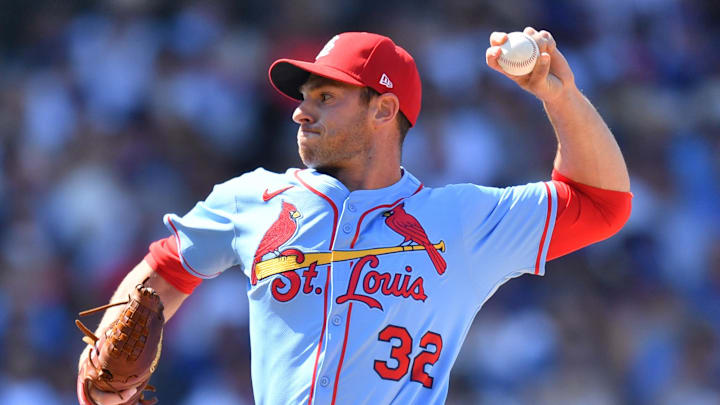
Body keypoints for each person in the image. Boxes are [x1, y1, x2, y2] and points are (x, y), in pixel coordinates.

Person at [78, 28, 632, 405]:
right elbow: (167, 268)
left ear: (384, 109)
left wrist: (561, 100)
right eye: (304, 96)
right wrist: (101, 361)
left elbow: (601, 203)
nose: (300, 109)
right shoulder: (255, 198)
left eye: (325, 96)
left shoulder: (460, 220)